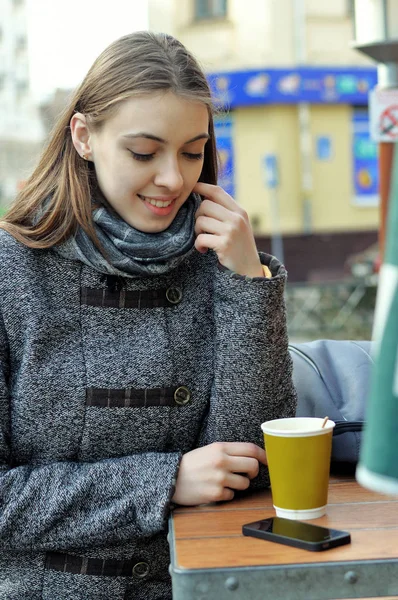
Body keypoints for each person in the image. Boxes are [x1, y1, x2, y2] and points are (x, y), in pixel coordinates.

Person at [0, 31, 297, 600]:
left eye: (192, 151)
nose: (173, 179)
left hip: (200, 586)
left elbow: (253, 465)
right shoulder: (13, 272)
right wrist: (163, 481)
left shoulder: (220, 259)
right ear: (85, 136)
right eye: (144, 152)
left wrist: (247, 283)